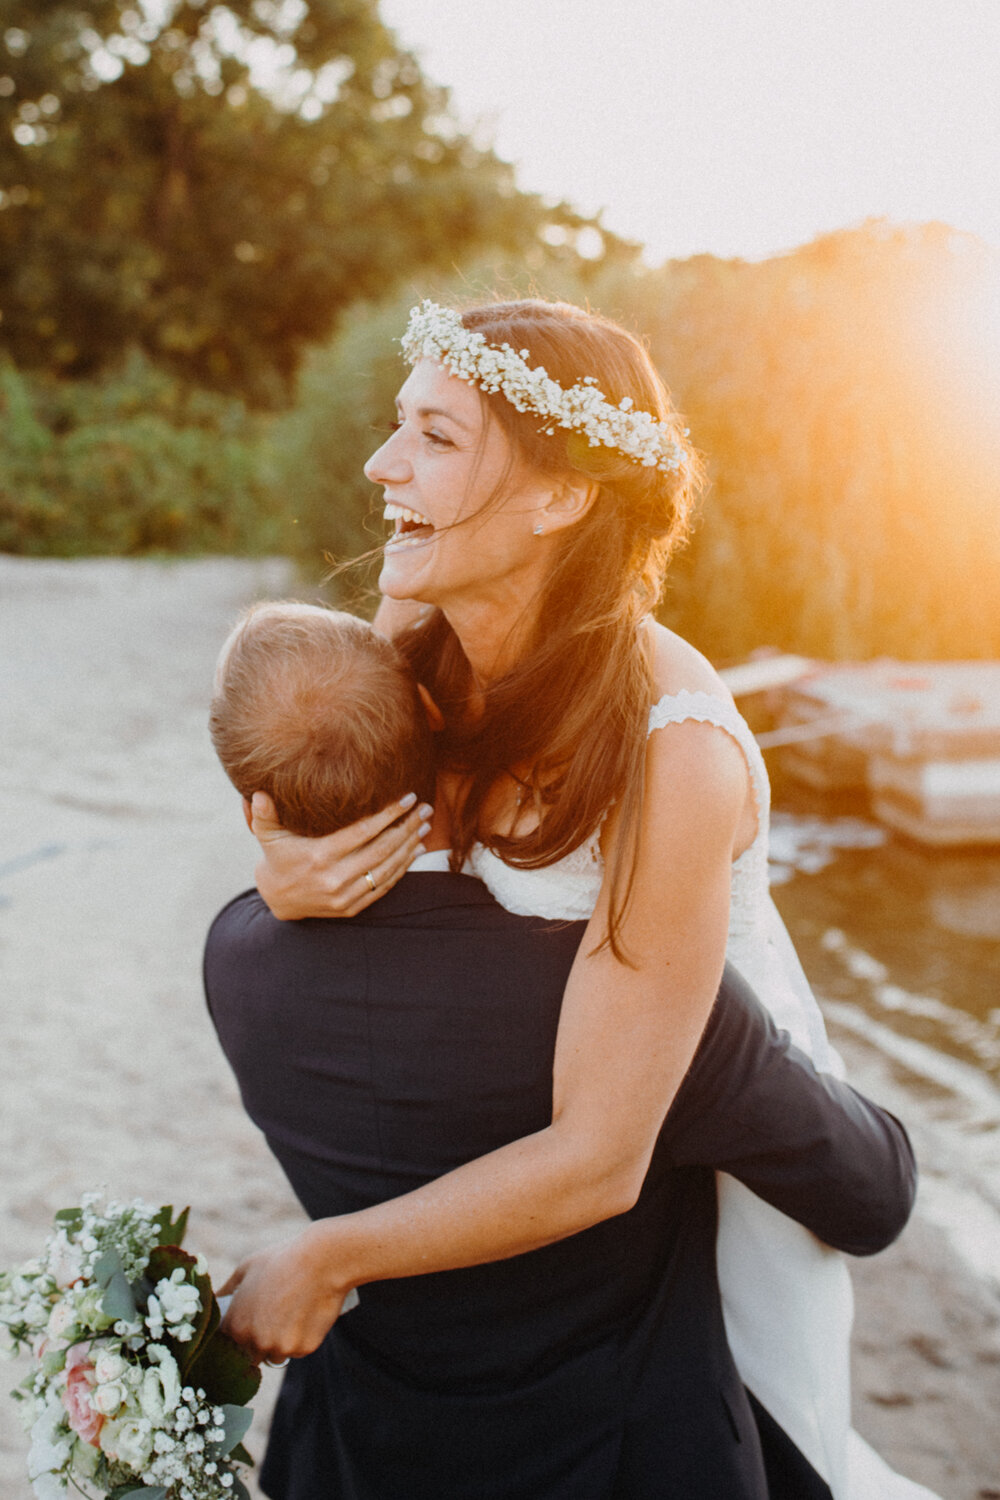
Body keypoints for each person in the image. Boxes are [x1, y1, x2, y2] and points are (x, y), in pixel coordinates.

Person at [223, 300, 938, 1500]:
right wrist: (276, 881)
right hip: (544, 1129)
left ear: (561, 496)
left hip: (702, 1117)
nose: (379, 463)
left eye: (436, 439)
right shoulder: (411, 637)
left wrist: (330, 1254)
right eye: (398, 425)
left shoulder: (672, 748)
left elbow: (604, 1158)